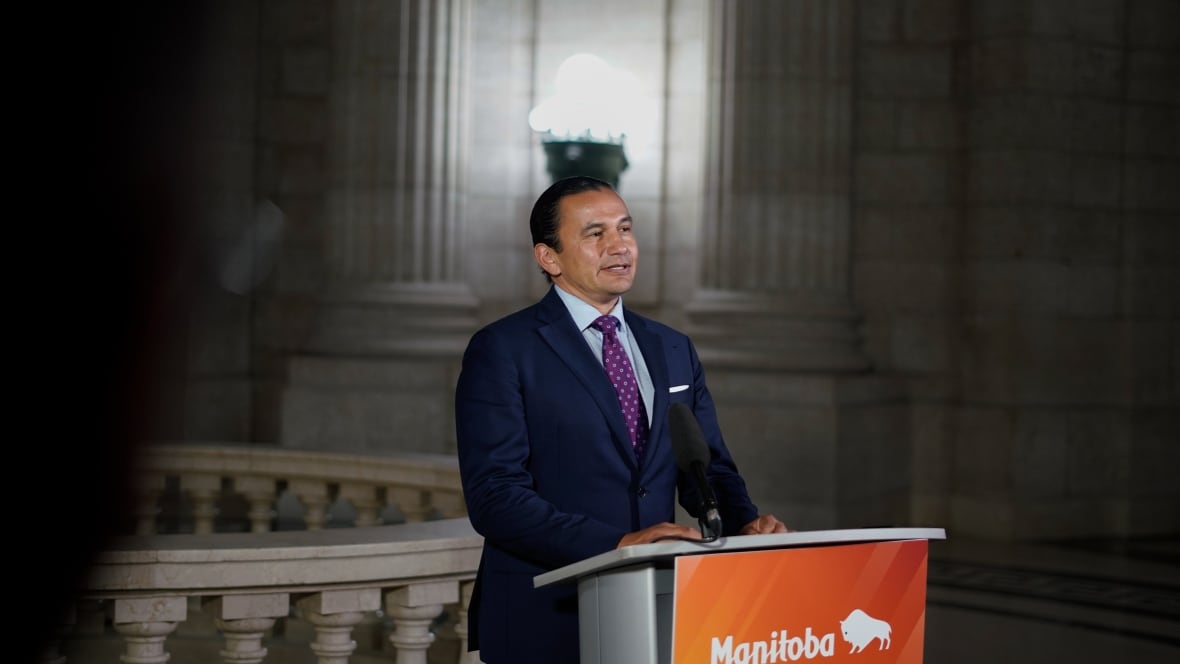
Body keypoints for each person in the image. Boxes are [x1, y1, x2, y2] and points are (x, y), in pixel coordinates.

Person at [454, 175, 787, 663]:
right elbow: (495, 498)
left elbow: (708, 467)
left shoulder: (672, 347)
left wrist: (743, 526)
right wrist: (618, 544)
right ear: (549, 258)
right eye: (595, 233)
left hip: (656, 609)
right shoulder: (503, 350)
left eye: (625, 229)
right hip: (545, 611)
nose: (619, 246)